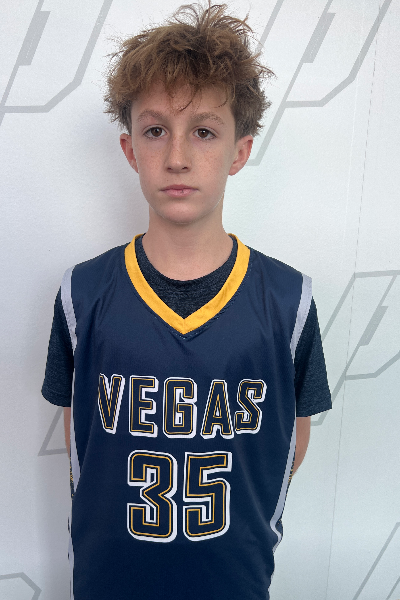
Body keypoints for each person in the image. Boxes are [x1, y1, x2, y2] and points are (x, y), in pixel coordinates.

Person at [41, 2, 332, 599]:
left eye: (203, 131)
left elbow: (289, 442)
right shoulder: (82, 293)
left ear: (239, 151)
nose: (177, 156)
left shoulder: (288, 300)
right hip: (110, 580)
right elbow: (83, 440)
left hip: (232, 579)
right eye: (156, 131)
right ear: (130, 150)